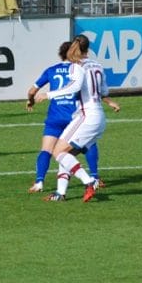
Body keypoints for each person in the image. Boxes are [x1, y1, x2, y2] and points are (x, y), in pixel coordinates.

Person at [37, 35, 120, 202]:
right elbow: (103, 90)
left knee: (58, 151)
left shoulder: (77, 66)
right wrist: (110, 102)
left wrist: (49, 94)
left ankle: (89, 181)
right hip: (98, 117)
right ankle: (61, 193)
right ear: (88, 49)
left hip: (87, 116)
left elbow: (74, 86)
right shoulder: (97, 65)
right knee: (65, 154)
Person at [25, 41, 99, 194]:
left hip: (55, 117)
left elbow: (32, 90)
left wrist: (30, 101)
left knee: (47, 149)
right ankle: (94, 177)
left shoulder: (51, 70)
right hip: (74, 116)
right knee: (88, 144)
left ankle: (39, 182)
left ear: (61, 53)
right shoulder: (80, 68)